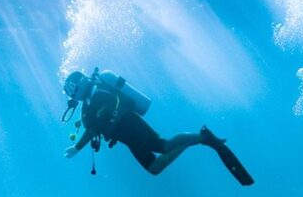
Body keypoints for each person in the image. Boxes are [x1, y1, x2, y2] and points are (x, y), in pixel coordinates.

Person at [61, 69, 253, 185]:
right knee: (154, 168)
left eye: (70, 90)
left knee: (165, 145)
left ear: (77, 85)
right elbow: (92, 129)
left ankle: (201, 137)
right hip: (127, 137)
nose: (71, 96)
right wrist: (77, 148)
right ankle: (197, 139)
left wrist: (79, 147)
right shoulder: (87, 105)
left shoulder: (99, 93)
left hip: (132, 127)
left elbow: (119, 105)